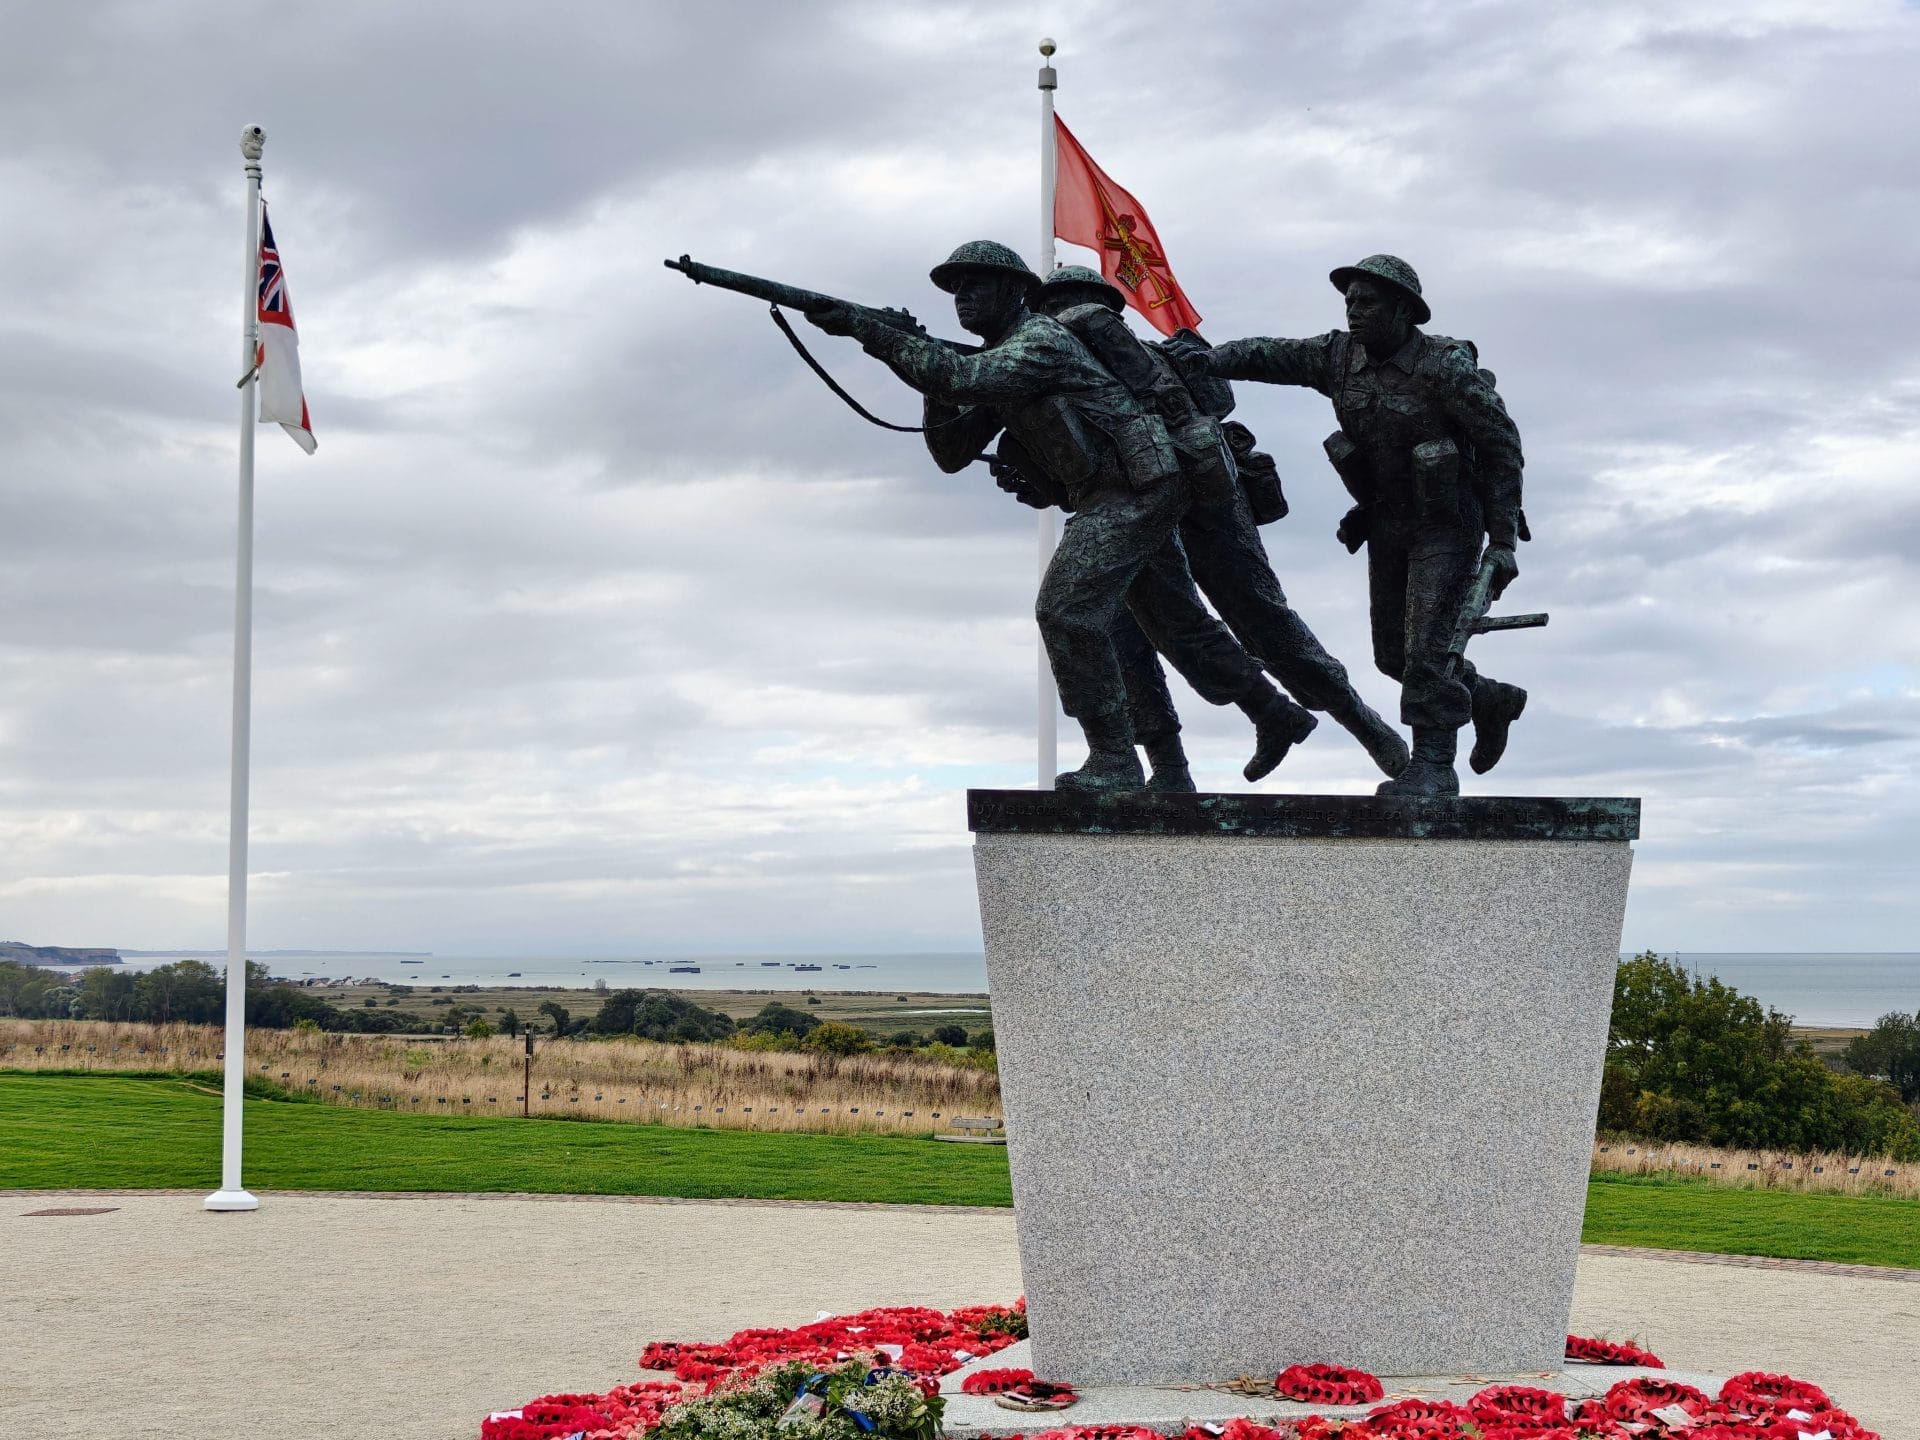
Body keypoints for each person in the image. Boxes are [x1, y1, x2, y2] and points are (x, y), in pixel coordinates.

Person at [807, 240, 1314, 792]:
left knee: (1065, 612)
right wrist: (919, 357)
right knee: (1178, 624)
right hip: (1120, 492)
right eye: (956, 288)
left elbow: (959, 379)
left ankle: (1114, 759)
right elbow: (950, 452)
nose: (963, 296)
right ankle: (1273, 712)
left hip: (1133, 489)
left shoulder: (1039, 340)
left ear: (1016, 291)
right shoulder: (1001, 359)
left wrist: (877, 335)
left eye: (975, 283)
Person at [1030, 266, 1409, 782]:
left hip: (1207, 505)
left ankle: (1370, 730)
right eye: (1050, 306)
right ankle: (1170, 768)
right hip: (1134, 512)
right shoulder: (1049, 376)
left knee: (1263, 621)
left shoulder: (1143, 356)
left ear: (1104, 307)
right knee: (1123, 630)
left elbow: (1198, 409)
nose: (1058, 316)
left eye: (1068, 302)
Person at [1179, 254, 1528, 797]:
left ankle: (1435, 767)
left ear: (1404, 310)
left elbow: (1502, 445)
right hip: (1388, 520)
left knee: (1427, 650)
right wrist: (1208, 361)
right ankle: (1487, 698)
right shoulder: (1337, 356)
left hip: (1447, 521)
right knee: (1393, 655)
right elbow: (1269, 355)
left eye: (1367, 302)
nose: (1354, 311)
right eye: (1349, 301)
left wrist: (1502, 541)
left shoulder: (1444, 367)